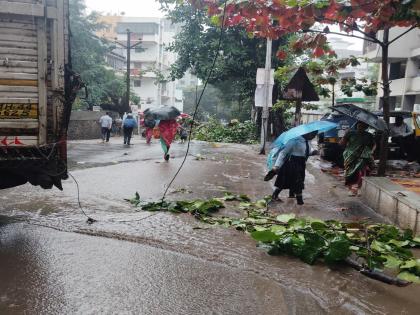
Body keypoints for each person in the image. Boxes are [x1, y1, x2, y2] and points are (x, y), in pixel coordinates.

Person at [264, 131, 318, 205]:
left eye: (315, 135)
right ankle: (300, 202)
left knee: (291, 181)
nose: (314, 136)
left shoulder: (307, 141)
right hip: (291, 163)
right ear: (307, 133)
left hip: (301, 163)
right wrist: (277, 166)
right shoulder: (294, 141)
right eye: (313, 134)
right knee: (295, 181)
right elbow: (283, 153)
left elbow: (305, 152)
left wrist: (312, 153)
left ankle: (277, 195)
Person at [340, 122, 376, 196]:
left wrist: (371, 151)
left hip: (362, 156)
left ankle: (359, 188)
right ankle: (350, 189)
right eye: (359, 126)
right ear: (356, 126)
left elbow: (374, 145)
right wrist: (344, 137)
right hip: (350, 155)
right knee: (349, 172)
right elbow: (342, 143)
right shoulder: (350, 133)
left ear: (366, 127)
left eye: (363, 126)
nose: (360, 127)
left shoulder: (369, 135)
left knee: (361, 172)